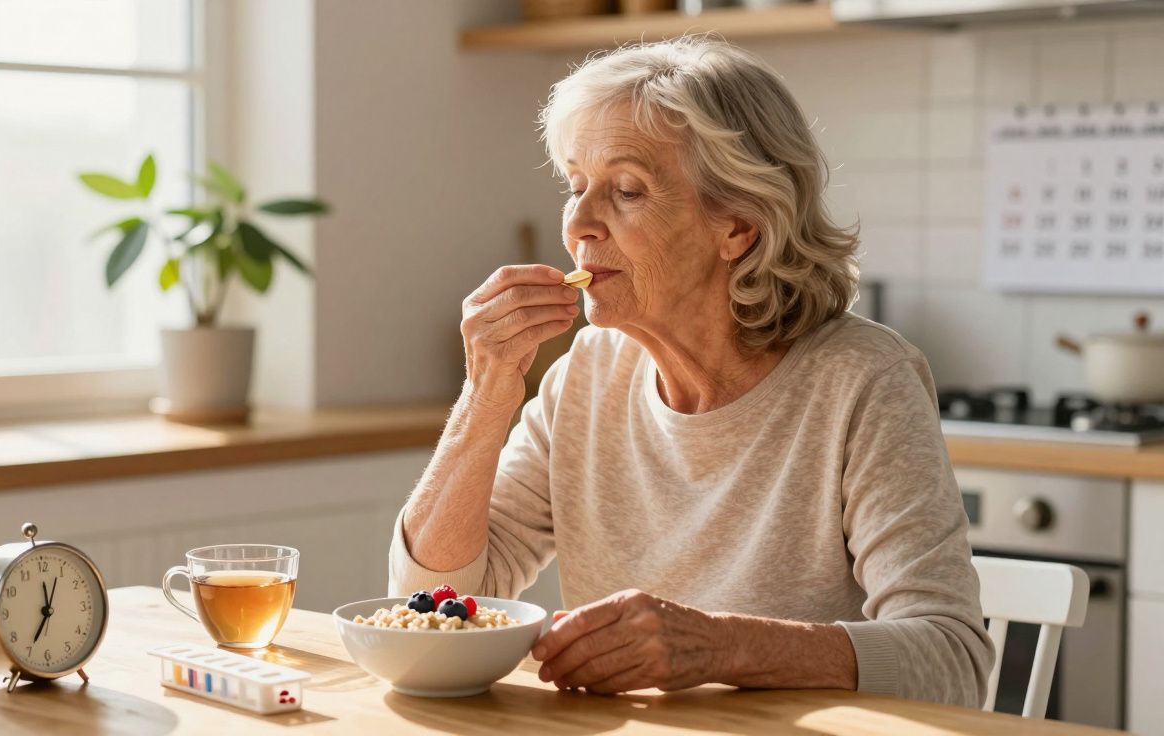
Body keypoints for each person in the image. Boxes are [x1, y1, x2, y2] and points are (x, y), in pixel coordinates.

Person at [389, 37, 993, 707]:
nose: (580, 225)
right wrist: (486, 393)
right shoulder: (585, 373)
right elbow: (437, 601)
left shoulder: (863, 381)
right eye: (575, 186)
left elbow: (951, 657)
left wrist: (718, 645)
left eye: (625, 190)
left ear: (737, 226)